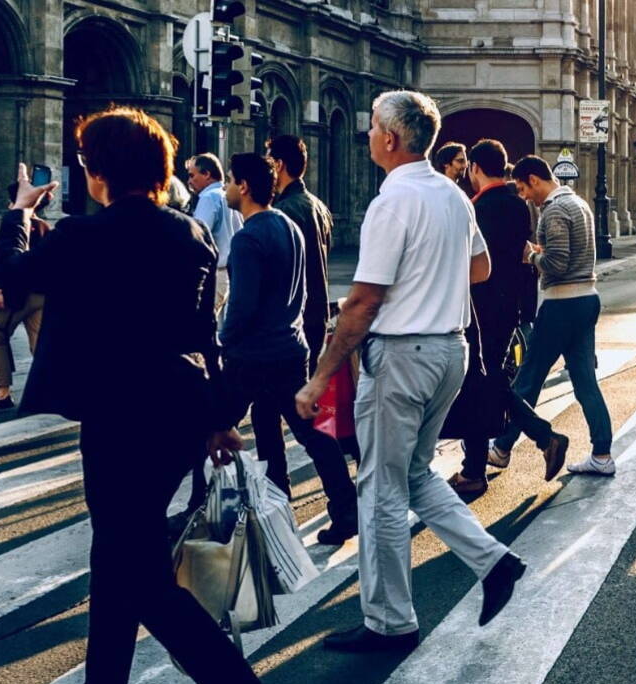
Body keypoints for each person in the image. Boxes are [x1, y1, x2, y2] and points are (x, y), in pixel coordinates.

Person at [0, 110, 285, 684]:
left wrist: (17, 211)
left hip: (120, 416)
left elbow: (8, 272)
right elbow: (203, 332)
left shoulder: (84, 235)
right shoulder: (190, 233)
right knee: (119, 550)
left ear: (97, 172)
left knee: (139, 572)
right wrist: (217, 417)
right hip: (179, 411)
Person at [294, 90, 527, 653]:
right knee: (416, 474)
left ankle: (389, 621)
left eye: (372, 126)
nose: (368, 133)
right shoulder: (453, 196)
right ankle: (493, 562)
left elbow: (363, 301)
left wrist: (320, 376)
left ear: (390, 138)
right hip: (449, 350)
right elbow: (481, 267)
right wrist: (431, 280)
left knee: (379, 490)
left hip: (401, 355)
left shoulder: (391, 202)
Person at [215, 152, 361, 543]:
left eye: (229, 180)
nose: (227, 187)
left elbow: (242, 306)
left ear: (243, 186)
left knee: (212, 427)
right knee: (309, 431)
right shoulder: (288, 225)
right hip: (290, 348)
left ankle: (204, 512)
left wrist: (223, 340)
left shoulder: (248, 238)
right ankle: (344, 508)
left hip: (251, 356)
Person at [445, 141, 569, 494]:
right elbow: (522, 258)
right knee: (489, 381)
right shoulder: (519, 206)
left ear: (475, 169)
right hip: (509, 307)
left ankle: (480, 468)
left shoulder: (476, 208)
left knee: (481, 383)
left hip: (480, 309)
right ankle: (535, 441)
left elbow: (468, 262)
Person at [491, 155, 618, 475]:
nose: (523, 195)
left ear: (534, 179)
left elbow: (557, 264)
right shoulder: (579, 204)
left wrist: (532, 255)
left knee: (528, 378)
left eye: (523, 187)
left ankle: (502, 448)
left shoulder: (555, 210)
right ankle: (602, 454)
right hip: (587, 299)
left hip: (562, 303)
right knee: (585, 381)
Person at [265, 136, 334, 379]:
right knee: (303, 395)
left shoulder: (283, 211)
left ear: (279, 164)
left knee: (274, 401)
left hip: (293, 320)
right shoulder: (318, 205)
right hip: (317, 312)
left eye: (269, 160)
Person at [0, 182, 47, 413]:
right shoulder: (46, 227)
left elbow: (3, 261)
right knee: (40, 344)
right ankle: (47, 392)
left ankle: (3, 394)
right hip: (41, 296)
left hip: (14, 296)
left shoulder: (14, 224)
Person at [187, 153, 242, 308]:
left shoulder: (208, 197)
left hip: (216, 275)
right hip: (231, 274)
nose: (189, 181)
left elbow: (198, 237)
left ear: (206, 174)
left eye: (192, 175)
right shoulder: (229, 195)